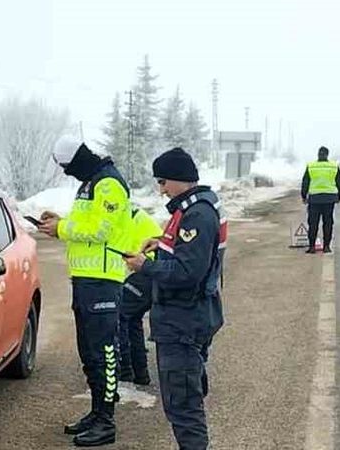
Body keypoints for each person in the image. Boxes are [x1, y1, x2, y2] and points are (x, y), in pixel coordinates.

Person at [124, 147, 224, 450]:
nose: (162, 188)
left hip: (183, 322)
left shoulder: (197, 214)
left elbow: (188, 272)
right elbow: (191, 256)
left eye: (164, 181)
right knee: (186, 396)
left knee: (183, 406)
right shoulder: (193, 209)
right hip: (188, 318)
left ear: (180, 179)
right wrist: (162, 244)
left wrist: (146, 265)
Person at [39, 135, 132, 447]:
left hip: (104, 280)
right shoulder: (89, 183)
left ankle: (106, 420)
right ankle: (96, 411)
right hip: (85, 279)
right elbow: (86, 224)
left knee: (104, 352)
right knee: (88, 352)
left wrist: (62, 229)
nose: (67, 173)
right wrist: (61, 222)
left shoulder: (109, 184)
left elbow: (101, 230)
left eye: (67, 166)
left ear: (78, 159)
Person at [118, 207, 163, 386]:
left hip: (144, 273)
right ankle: (140, 373)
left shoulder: (122, 217)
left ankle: (126, 370)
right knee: (132, 320)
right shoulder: (133, 214)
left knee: (121, 316)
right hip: (149, 273)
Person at [300, 146, 340, 254]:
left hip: (314, 199)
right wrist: (339, 197)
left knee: (313, 223)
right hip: (329, 199)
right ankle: (326, 247)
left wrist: (304, 196)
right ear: (327, 155)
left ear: (318, 154)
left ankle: (312, 247)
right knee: (328, 223)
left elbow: (305, 182)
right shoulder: (333, 166)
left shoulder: (311, 166)